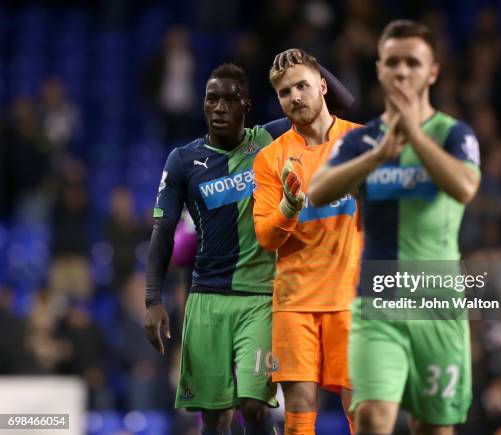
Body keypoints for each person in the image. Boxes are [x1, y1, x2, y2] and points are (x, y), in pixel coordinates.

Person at [145, 58, 354, 435]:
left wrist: (310, 65)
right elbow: (163, 231)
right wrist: (152, 299)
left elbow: (341, 105)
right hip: (207, 297)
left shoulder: (269, 140)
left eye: (229, 99)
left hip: (262, 297)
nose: (219, 108)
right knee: (213, 417)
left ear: (247, 104)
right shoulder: (183, 161)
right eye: (211, 99)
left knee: (254, 406)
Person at [309, 20, 481, 435]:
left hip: (438, 308)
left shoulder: (454, 134)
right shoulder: (359, 143)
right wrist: (379, 155)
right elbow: (316, 191)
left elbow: (464, 186)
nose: (402, 71)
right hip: (378, 305)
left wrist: (414, 136)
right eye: (393, 62)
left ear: (432, 72)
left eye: (412, 62)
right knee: (371, 418)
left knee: (433, 428)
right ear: (380, 69)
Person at [252, 49, 362, 435]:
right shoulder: (270, 158)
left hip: (351, 299)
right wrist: (288, 206)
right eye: (285, 92)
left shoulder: (360, 142)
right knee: (299, 410)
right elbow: (266, 236)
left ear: (323, 85)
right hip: (294, 301)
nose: (295, 96)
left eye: (302, 85)